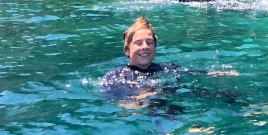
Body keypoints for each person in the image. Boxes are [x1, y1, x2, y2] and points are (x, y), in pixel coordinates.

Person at [100, 16, 236, 100]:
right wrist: (135, 100)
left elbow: (188, 72)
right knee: (157, 97)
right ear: (127, 50)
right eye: (138, 43)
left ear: (155, 47)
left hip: (173, 99)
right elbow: (111, 97)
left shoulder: (165, 67)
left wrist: (211, 74)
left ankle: (245, 106)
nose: (145, 46)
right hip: (149, 108)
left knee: (205, 92)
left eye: (149, 42)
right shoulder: (116, 75)